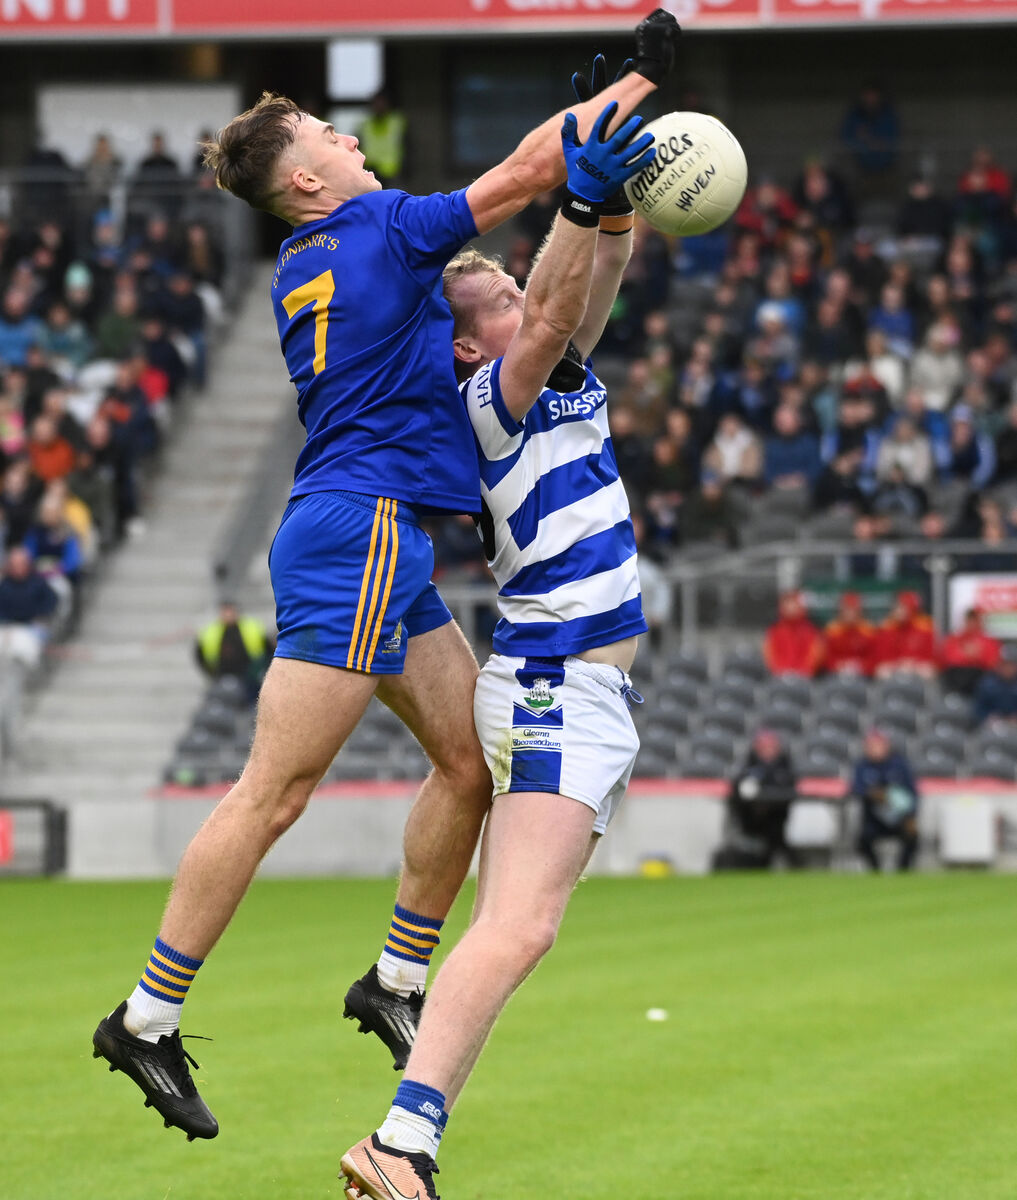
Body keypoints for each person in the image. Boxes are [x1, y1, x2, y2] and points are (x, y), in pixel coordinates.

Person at [91, 9, 680, 1152]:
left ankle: (396, 979)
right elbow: (529, 173)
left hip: (375, 533)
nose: (352, 138)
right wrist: (640, 85)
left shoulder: (312, 259)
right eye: (330, 132)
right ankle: (148, 1014)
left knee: (468, 759)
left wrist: (600, 164)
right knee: (275, 792)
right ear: (307, 180)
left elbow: (543, 255)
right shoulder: (376, 228)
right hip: (358, 530)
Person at [340, 56, 659, 1200]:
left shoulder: (551, 377)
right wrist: (577, 196)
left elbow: (590, 281)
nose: (531, 305)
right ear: (472, 347)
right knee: (517, 930)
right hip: (554, 684)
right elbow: (560, 304)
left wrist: (612, 190)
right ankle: (400, 1143)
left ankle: (406, 1140)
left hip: (570, 687)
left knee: (515, 929)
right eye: (506, 304)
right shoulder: (490, 401)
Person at [713, 728, 798, 870]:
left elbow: (791, 784)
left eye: (771, 746)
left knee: (776, 839)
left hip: (777, 817)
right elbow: (738, 785)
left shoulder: (784, 765)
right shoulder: (749, 764)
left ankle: (786, 863)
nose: (768, 750)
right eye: (764, 746)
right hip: (752, 819)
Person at [851, 728, 919, 871]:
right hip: (873, 820)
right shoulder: (862, 766)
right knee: (862, 841)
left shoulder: (900, 765)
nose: (874, 749)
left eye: (878, 745)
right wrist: (873, 794)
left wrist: (911, 815)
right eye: (870, 745)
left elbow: (912, 793)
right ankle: (875, 871)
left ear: (887, 745)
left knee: (913, 837)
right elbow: (855, 789)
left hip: (899, 818)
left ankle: (903, 871)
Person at [194, 599, 275, 702]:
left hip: (248, 676)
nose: (228, 615)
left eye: (230, 611)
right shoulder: (210, 631)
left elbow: (269, 650)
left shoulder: (252, 628)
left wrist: (259, 670)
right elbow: (200, 655)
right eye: (225, 611)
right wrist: (211, 672)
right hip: (221, 675)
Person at [871, 590, 937, 679]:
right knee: (883, 671)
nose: (901, 611)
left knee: (927, 671)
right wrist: (898, 664)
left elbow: (933, 658)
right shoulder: (886, 628)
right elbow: (880, 659)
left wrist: (913, 663)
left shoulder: (925, 628)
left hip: (916, 669)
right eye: (898, 607)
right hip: (894, 669)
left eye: (905, 607)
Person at [939, 607, 1001, 696]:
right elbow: (948, 659)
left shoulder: (989, 641)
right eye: (970, 620)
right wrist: (966, 655)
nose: (972, 623)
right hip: (958, 676)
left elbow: (993, 663)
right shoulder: (955, 639)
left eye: (975, 620)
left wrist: (977, 656)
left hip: (980, 676)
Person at [763, 589, 823, 678]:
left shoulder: (811, 629)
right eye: (788, 604)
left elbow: (816, 654)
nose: (791, 607)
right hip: (779, 676)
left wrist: (804, 671)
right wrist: (779, 671)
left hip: (804, 677)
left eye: (794, 604)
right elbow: (769, 654)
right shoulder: (774, 629)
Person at [356, 90, 408, 189]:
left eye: (382, 102)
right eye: (376, 103)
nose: (379, 106)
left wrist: (406, 170)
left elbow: (408, 147)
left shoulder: (398, 122)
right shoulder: (365, 125)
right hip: (370, 171)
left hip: (393, 172)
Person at [822, 591, 875, 676]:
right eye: (847, 609)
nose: (850, 613)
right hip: (835, 674)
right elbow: (826, 657)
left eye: (853, 609)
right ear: (841, 610)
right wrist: (838, 665)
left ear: (859, 611)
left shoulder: (868, 630)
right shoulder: (831, 630)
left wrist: (861, 665)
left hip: (863, 675)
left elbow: (874, 657)